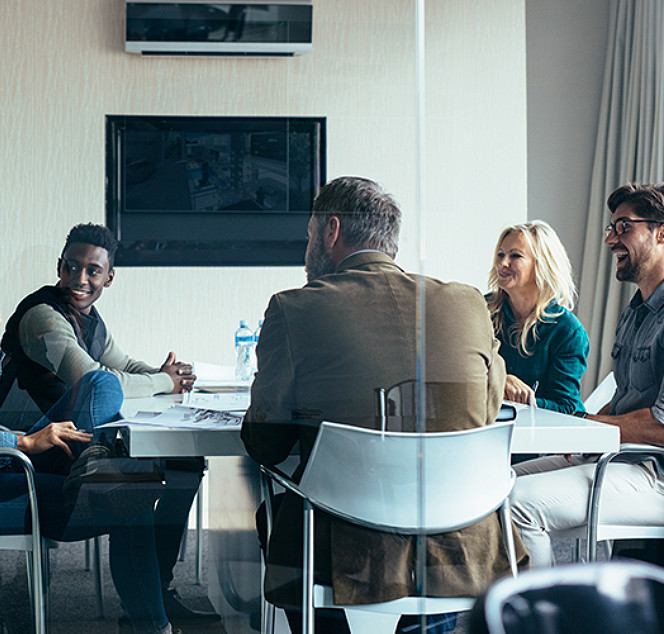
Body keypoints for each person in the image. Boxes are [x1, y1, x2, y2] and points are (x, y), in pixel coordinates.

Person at [241, 176, 527, 634]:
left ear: (331, 230)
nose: (308, 245)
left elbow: (266, 442)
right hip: (462, 539)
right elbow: (485, 410)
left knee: (272, 513)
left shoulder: (294, 308)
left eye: (310, 234)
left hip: (345, 546)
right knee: (432, 528)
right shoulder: (468, 303)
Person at [0, 228, 174, 633]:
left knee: (102, 386)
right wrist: (22, 442)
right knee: (128, 499)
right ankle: (153, 627)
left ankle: (95, 466)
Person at [0, 223, 216, 625]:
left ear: (108, 277)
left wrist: (168, 376)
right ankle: (100, 475)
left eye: (92, 271)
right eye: (71, 268)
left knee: (182, 463)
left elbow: (124, 365)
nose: (79, 279)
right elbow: (93, 377)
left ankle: (156, 592)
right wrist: (164, 383)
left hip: (72, 446)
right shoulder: (43, 316)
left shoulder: (91, 320)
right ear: (59, 267)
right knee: (100, 391)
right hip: (24, 448)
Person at [510, 183, 664, 567]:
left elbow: (660, 426)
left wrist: (584, 426)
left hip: (655, 473)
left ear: (661, 232)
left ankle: (541, 621)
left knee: (518, 505)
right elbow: (628, 399)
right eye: (611, 228)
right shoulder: (636, 312)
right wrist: (585, 433)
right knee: (496, 486)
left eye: (624, 227)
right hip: (622, 458)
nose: (611, 239)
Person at [486, 221, 589, 414]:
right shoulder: (482, 311)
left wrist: (524, 400)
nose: (502, 263)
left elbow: (566, 406)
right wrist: (501, 379)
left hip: (544, 436)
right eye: (501, 254)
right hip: (492, 429)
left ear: (542, 265)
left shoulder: (568, 331)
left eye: (515, 256)